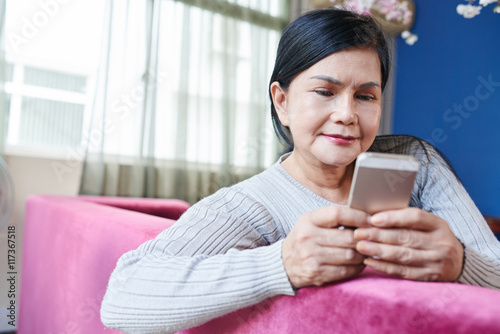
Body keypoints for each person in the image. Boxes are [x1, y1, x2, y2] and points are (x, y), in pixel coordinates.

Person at [100, 7, 500, 333]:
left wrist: (463, 262)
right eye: (325, 92)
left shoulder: (416, 162)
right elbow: (122, 297)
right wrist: (281, 264)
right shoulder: (248, 205)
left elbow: (494, 267)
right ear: (282, 102)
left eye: (365, 96)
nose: (346, 115)